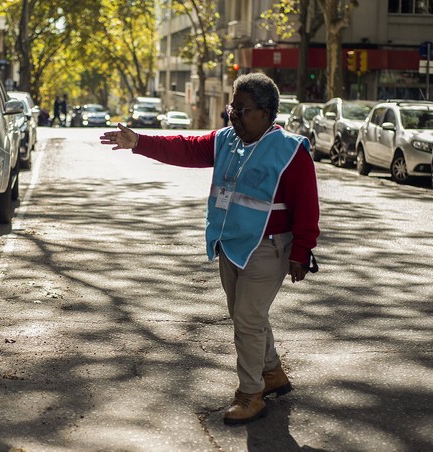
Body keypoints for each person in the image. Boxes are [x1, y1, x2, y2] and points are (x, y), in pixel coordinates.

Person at [99, 72, 320, 425]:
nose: (233, 114)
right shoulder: (227, 140)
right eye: (232, 106)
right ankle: (272, 372)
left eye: (242, 109)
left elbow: (307, 207)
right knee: (247, 316)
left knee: (247, 319)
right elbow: (185, 147)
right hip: (230, 244)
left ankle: (250, 394)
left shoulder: (290, 151)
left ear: (266, 113)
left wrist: (301, 252)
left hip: (269, 248)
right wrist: (138, 141)